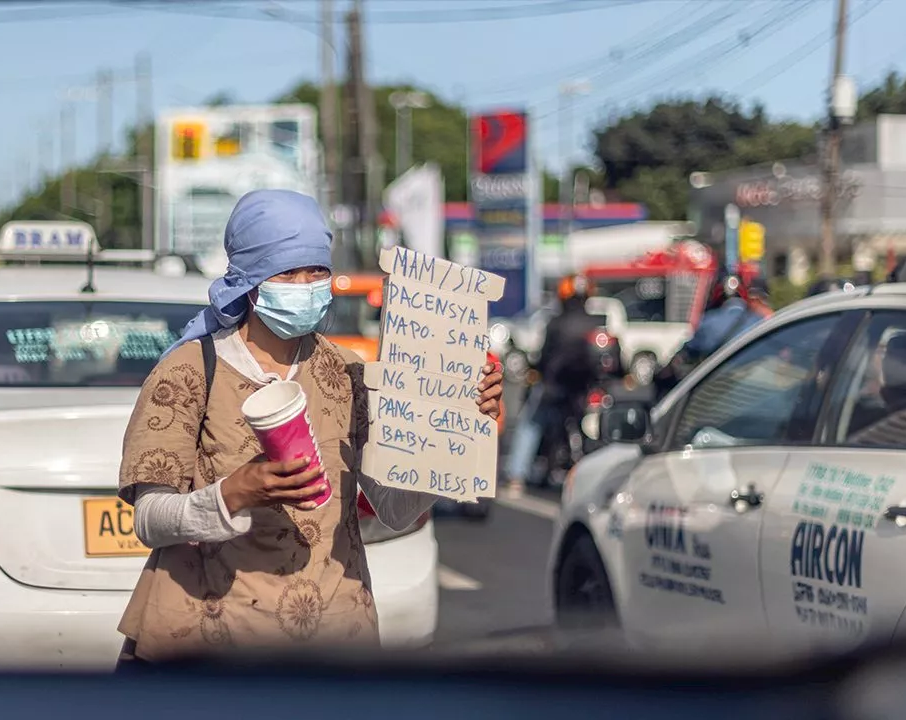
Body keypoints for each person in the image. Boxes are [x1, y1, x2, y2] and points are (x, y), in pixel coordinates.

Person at [113, 190, 504, 667]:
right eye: (286, 273)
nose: (305, 285)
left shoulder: (346, 372)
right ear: (251, 282)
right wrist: (233, 494)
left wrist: (448, 436)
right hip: (207, 644)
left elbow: (395, 510)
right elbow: (149, 519)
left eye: (316, 271)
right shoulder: (191, 370)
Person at [502, 276, 596, 489]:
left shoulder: (555, 323)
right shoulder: (596, 323)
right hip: (584, 391)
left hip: (555, 388)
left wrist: (536, 371)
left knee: (530, 424)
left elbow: (544, 358)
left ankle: (517, 475)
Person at [653, 273, 772, 399]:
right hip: (761, 393)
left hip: (717, 395)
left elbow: (686, 353)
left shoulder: (708, 322)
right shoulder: (760, 322)